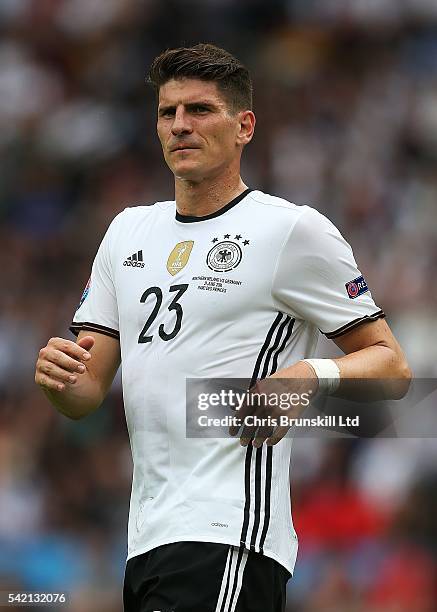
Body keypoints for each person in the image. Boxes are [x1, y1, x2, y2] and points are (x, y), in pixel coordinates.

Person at [35, 43, 411, 612]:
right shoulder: (126, 233)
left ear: (245, 126)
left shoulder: (290, 231)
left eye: (200, 110)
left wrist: (309, 375)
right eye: (168, 113)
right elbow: (86, 392)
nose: (181, 125)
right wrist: (57, 381)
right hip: (146, 538)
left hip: (231, 535)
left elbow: (392, 366)